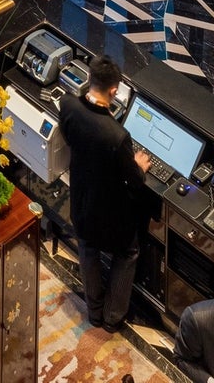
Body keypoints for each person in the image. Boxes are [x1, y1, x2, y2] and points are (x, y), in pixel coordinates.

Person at [57, 54, 154, 332]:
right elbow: (135, 180)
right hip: (112, 217)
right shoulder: (117, 136)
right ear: (114, 91)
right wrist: (138, 164)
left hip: (82, 203)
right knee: (128, 253)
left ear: (90, 79)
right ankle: (113, 317)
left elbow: (70, 135)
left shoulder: (68, 106)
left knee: (87, 247)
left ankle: (95, 311)